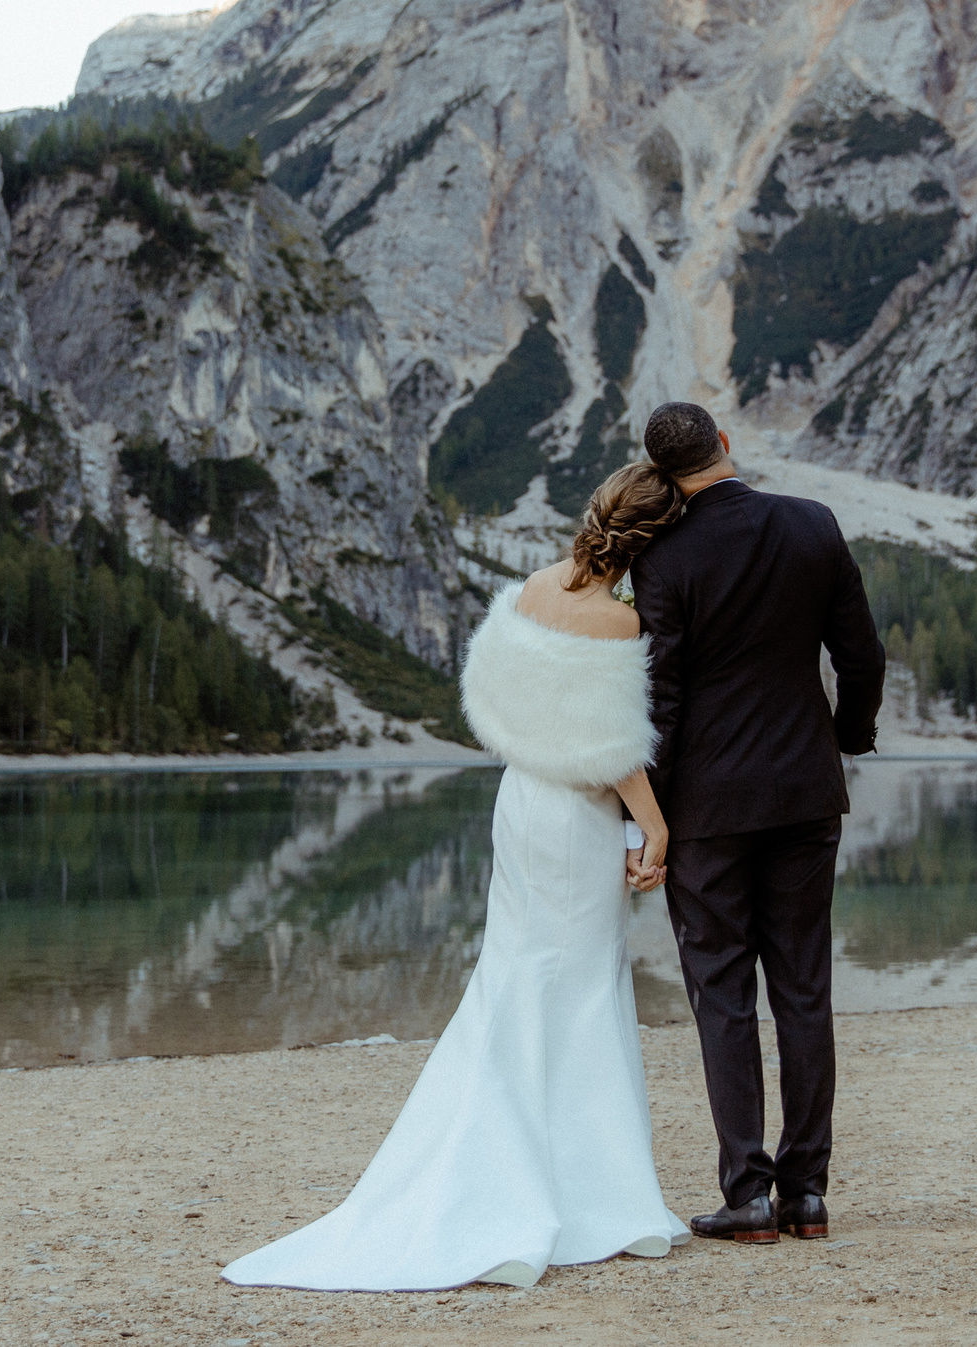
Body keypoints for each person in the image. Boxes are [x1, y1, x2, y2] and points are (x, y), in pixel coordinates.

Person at [220, 463, 692, 1292]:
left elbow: (518, 711)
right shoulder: (619, 623)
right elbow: (615, 747)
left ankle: (539, 1172)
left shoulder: (530, 590)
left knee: (519, 975)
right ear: (652, 541)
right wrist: (652, 825)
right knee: (580, 984)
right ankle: (593, 1194)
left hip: (522, 804)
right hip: (577, 818)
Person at [629, 402, 885, 1246]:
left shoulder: (662, 556)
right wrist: (844, 738)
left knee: (722, 994)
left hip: (706, 807)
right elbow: (862, 656)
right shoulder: (812, 524)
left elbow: (660, 694)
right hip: (806, 795)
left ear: (666, 476)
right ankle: (806, 1191)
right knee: (805, 989)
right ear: (726, 447)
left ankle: (746, 1190)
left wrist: (651, 813)